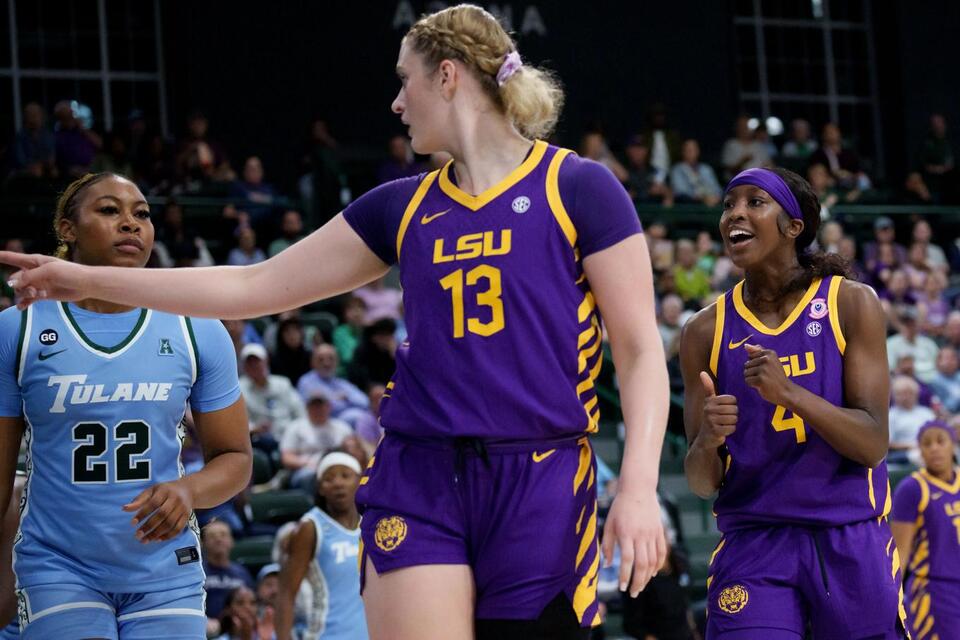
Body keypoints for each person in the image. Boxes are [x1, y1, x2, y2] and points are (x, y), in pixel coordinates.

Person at [0, 5, 668, 639]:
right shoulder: (400, 207)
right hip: (421, 471)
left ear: (447, 76)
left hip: (540, 472)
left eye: (404, 80)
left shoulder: (579, 188)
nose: (396, 103)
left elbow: (640, 352)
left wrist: (638, 486)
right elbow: (252, 285)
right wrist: (79, 278)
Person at [0, 172, 251, 638]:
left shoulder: (196, 326)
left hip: (165, 568)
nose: (131, 223)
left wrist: (189, 490)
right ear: (68, 228)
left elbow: (236, 458)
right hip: (58, 563)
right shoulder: (18, 328)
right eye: (109, 210)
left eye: (142, 214)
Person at [680, 166, 906, 638]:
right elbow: (702, 482)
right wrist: (708, 440)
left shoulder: (850, 303)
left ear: (793, 226)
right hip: (755, 543)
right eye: (728, 204)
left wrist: (789, 394)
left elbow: (871, 445)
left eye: (754, 202)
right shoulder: (703, 331)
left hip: (848, 536)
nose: (734, 213)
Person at [275, 452, 368, 640]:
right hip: (326, 634)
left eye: (345, 475)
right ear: (320, 488)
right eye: (329, 478)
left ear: (359, 481)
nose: (338, 483)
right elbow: (286, 592)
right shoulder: (310, 527)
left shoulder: (370, 525)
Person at [891, 420, 960, 638]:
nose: (934, 448)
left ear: (953, 444)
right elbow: (899, 554)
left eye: (941, 441)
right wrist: (892, 599)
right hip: (933, 590)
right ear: (919, 450)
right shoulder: (912, 489)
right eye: (927, 443)